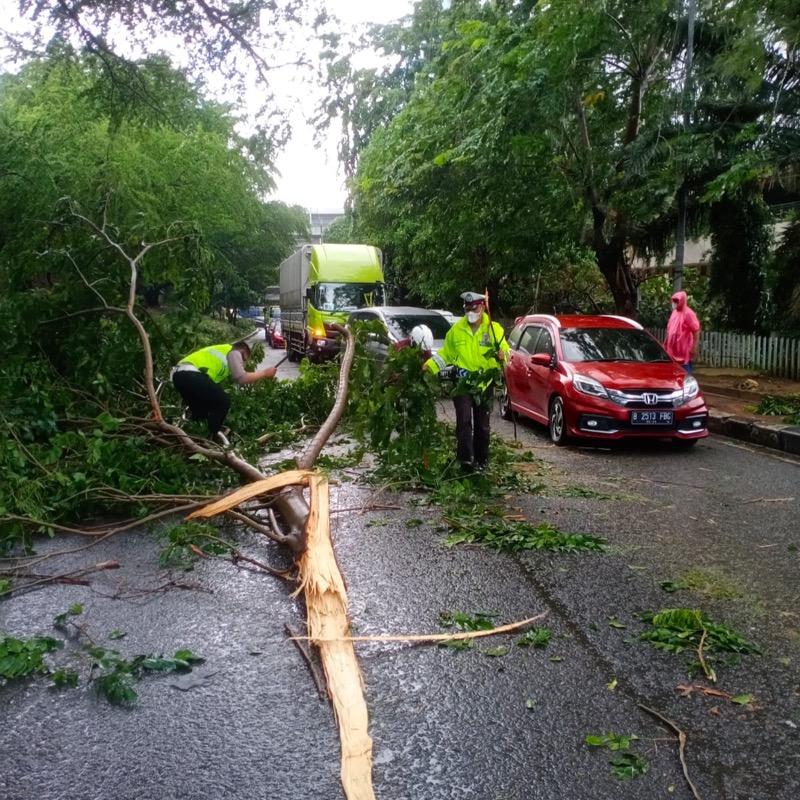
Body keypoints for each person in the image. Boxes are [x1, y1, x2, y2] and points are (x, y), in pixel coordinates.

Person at [422, 292, 509, 472]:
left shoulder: (493, 329)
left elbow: (506, 351)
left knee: (482, 424)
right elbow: (446, 353)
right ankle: (465, 459)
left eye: (474, 307)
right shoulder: (456, 330)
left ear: (483, 307)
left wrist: (503, 355)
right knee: (464, 420)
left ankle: (481, 459)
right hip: (462, 381)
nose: (470, 311)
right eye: (467, 308)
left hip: (484, 383)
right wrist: (429, 366)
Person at [171, 340, 276, 439]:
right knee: (223, 401)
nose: (241, 363)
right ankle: (210, 437)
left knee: (201, 412)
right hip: (191, 374)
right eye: (243, 360)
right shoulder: (233, 351)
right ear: (242, 351)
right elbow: (242, 378)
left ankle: (195, 438)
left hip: (179, 376)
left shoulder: (223, 355)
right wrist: (265, 373)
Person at [665, 291, 701, 374]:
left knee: (685, 374)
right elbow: (670, 330)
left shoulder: (689, 313)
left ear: (682, 301)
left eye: (676, 301)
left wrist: (694, 347)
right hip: (672, 351)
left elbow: (696, 330)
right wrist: (665, 344)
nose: (674, 303)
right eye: (673, 300)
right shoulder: (674, 313)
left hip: (683, 351)